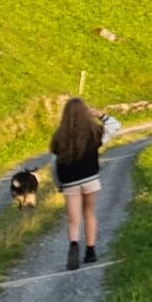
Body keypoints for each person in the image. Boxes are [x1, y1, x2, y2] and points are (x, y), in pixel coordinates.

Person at [50, 97, 111, 269]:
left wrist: (59, 184)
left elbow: (54, 164)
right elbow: (116, 127)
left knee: (73, 219)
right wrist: (100, 115)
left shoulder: (58, 137)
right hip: (90, 179)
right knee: (89, 213)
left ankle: (74, 247)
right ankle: (90, 251)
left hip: (69, 182)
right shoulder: (93, 132)